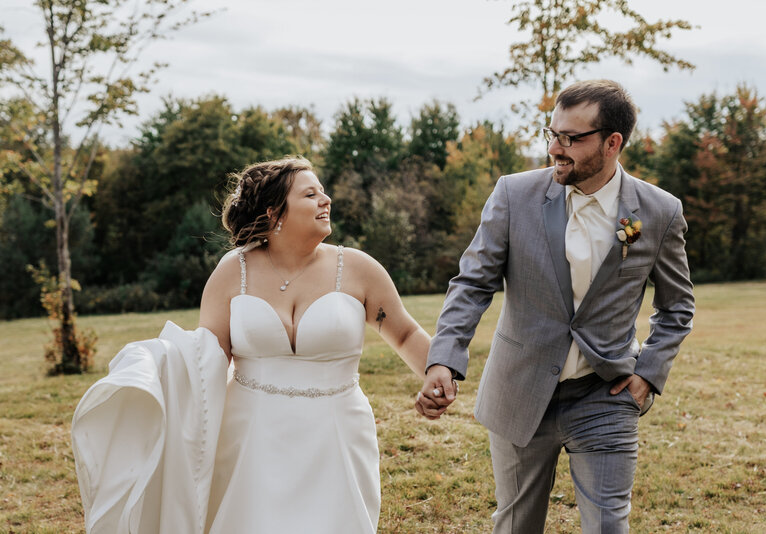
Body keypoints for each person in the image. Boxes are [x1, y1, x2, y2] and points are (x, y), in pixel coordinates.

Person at [72, 156, 431, 533]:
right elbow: (206, 356)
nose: (326, 200)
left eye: (323, 192)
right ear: (275, 212)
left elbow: (405, 334)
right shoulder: (233, 271)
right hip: (250, 437)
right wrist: (152, 366)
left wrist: (436, 371)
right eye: (311, 194)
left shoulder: (359, 268)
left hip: (338, 432)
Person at [415, 80, 695, 533]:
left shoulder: (659, 212)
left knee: (608, 526)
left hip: (604, 394)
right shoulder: (513, 195)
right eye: (551, 133)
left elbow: (677, 307)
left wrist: (649, 373)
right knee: (517, 524)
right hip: (520, 390)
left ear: (612, 142)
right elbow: (472, 284)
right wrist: (444, 359)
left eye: (570, 138)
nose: (554, 149)